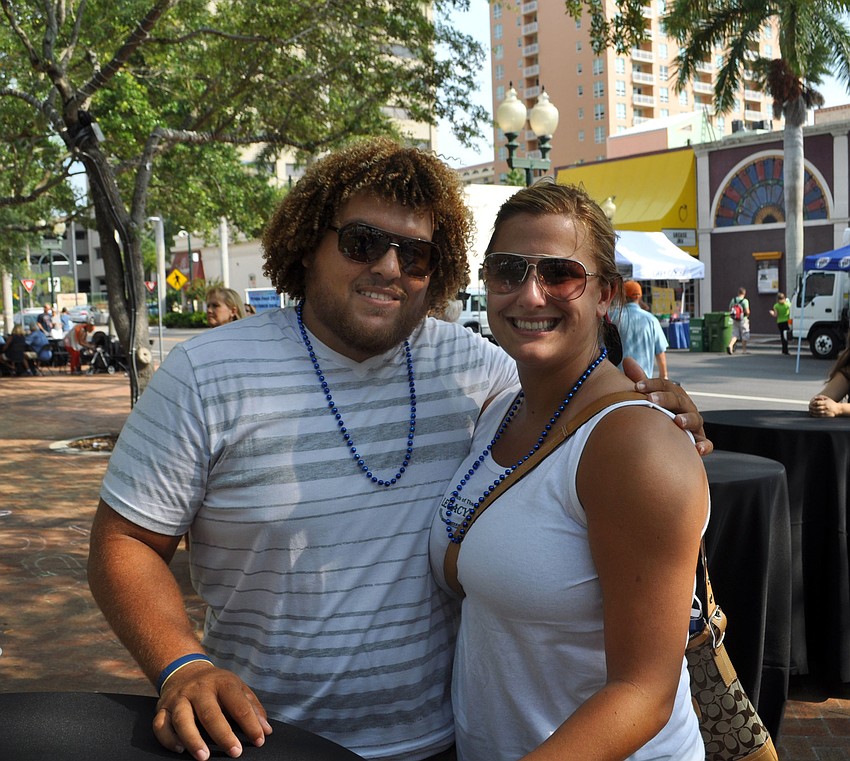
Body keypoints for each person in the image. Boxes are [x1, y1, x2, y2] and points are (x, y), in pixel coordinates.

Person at [87, 138, 711, 761]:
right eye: (362, 242)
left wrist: (653, 409)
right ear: (308, 243)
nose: (389, 268)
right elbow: (126, 541)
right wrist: (182, 665)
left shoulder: (479, 370)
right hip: (273, 742)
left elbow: (589, 411)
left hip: (443, 743)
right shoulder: (205, 372)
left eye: (415, 254)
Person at [430, 181, 708, 761]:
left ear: (605, 294)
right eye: (509, 271)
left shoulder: (635, 443)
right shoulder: (500, 410)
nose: (531, 296)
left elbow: (644, 693)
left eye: (560, 275)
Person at [612, 279, 669, 379]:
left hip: (617, 381)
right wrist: (663, 376)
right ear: (639, 297)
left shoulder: (613, 317)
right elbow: (660, 352)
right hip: (643, 382)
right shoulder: (651, 320)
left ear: (622, 296)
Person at [809, 328, 850, 417]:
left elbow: (837, 408)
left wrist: (839, 408)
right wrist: (819, 404)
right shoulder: (847, 370)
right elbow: (821, 399)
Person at [727, 286, 750, 354]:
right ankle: (744, 350)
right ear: (744, 293)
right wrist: (747, 316)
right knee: (745, 333)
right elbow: (747, 311)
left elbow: (730, 309)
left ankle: (730, 345)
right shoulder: (745, 301)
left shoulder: (733, 300)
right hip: (743, 319)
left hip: (735, 319)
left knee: (735, 334)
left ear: (738, 293)